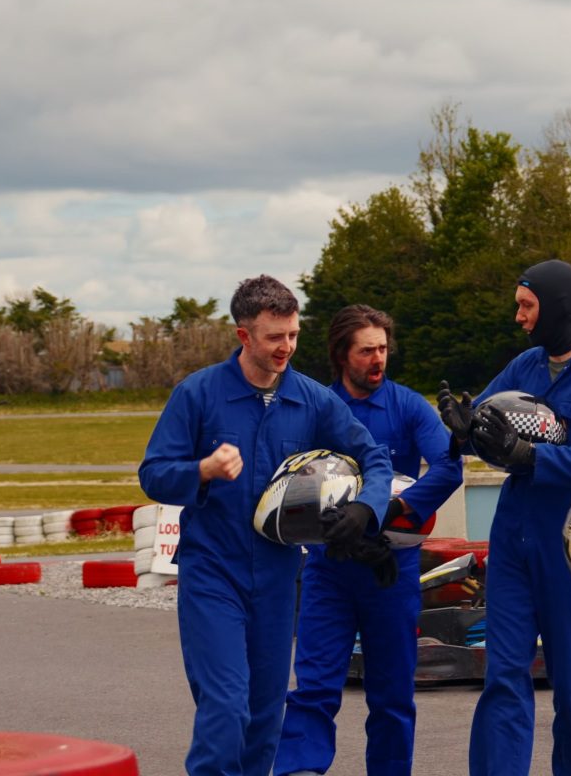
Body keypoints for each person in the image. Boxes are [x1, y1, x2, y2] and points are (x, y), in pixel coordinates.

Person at [138, 275, 394, 776]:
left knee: (263, 719)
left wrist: (367, 509)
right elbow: (153, 474)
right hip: (213, 573)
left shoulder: (311, 398)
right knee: (226, 710)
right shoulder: (198, 394)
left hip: (278, 579)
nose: (287, 347)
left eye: (293, 335)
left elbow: (373, 458)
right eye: (275, 337)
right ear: (244, 336)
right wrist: (201, 472)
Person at [438, 259, 571, 776]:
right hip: (513, 540)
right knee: (503, 674)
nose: (520, 317)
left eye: (527, 306)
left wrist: (533, 458)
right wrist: (462, 431)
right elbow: (486, 425)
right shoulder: (524, 366)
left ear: (558, 308)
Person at [277, 305, 463, 776]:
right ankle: (300, 769)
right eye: (366, 351)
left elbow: (448, 467)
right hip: (328, 568)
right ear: (342, 355)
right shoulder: (317, 406)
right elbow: (289, 481)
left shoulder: (408, 406)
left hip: (392, 571)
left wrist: (389, 513)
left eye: (383, 349)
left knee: (393, 696)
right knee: (315, 687)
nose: (378, 358)